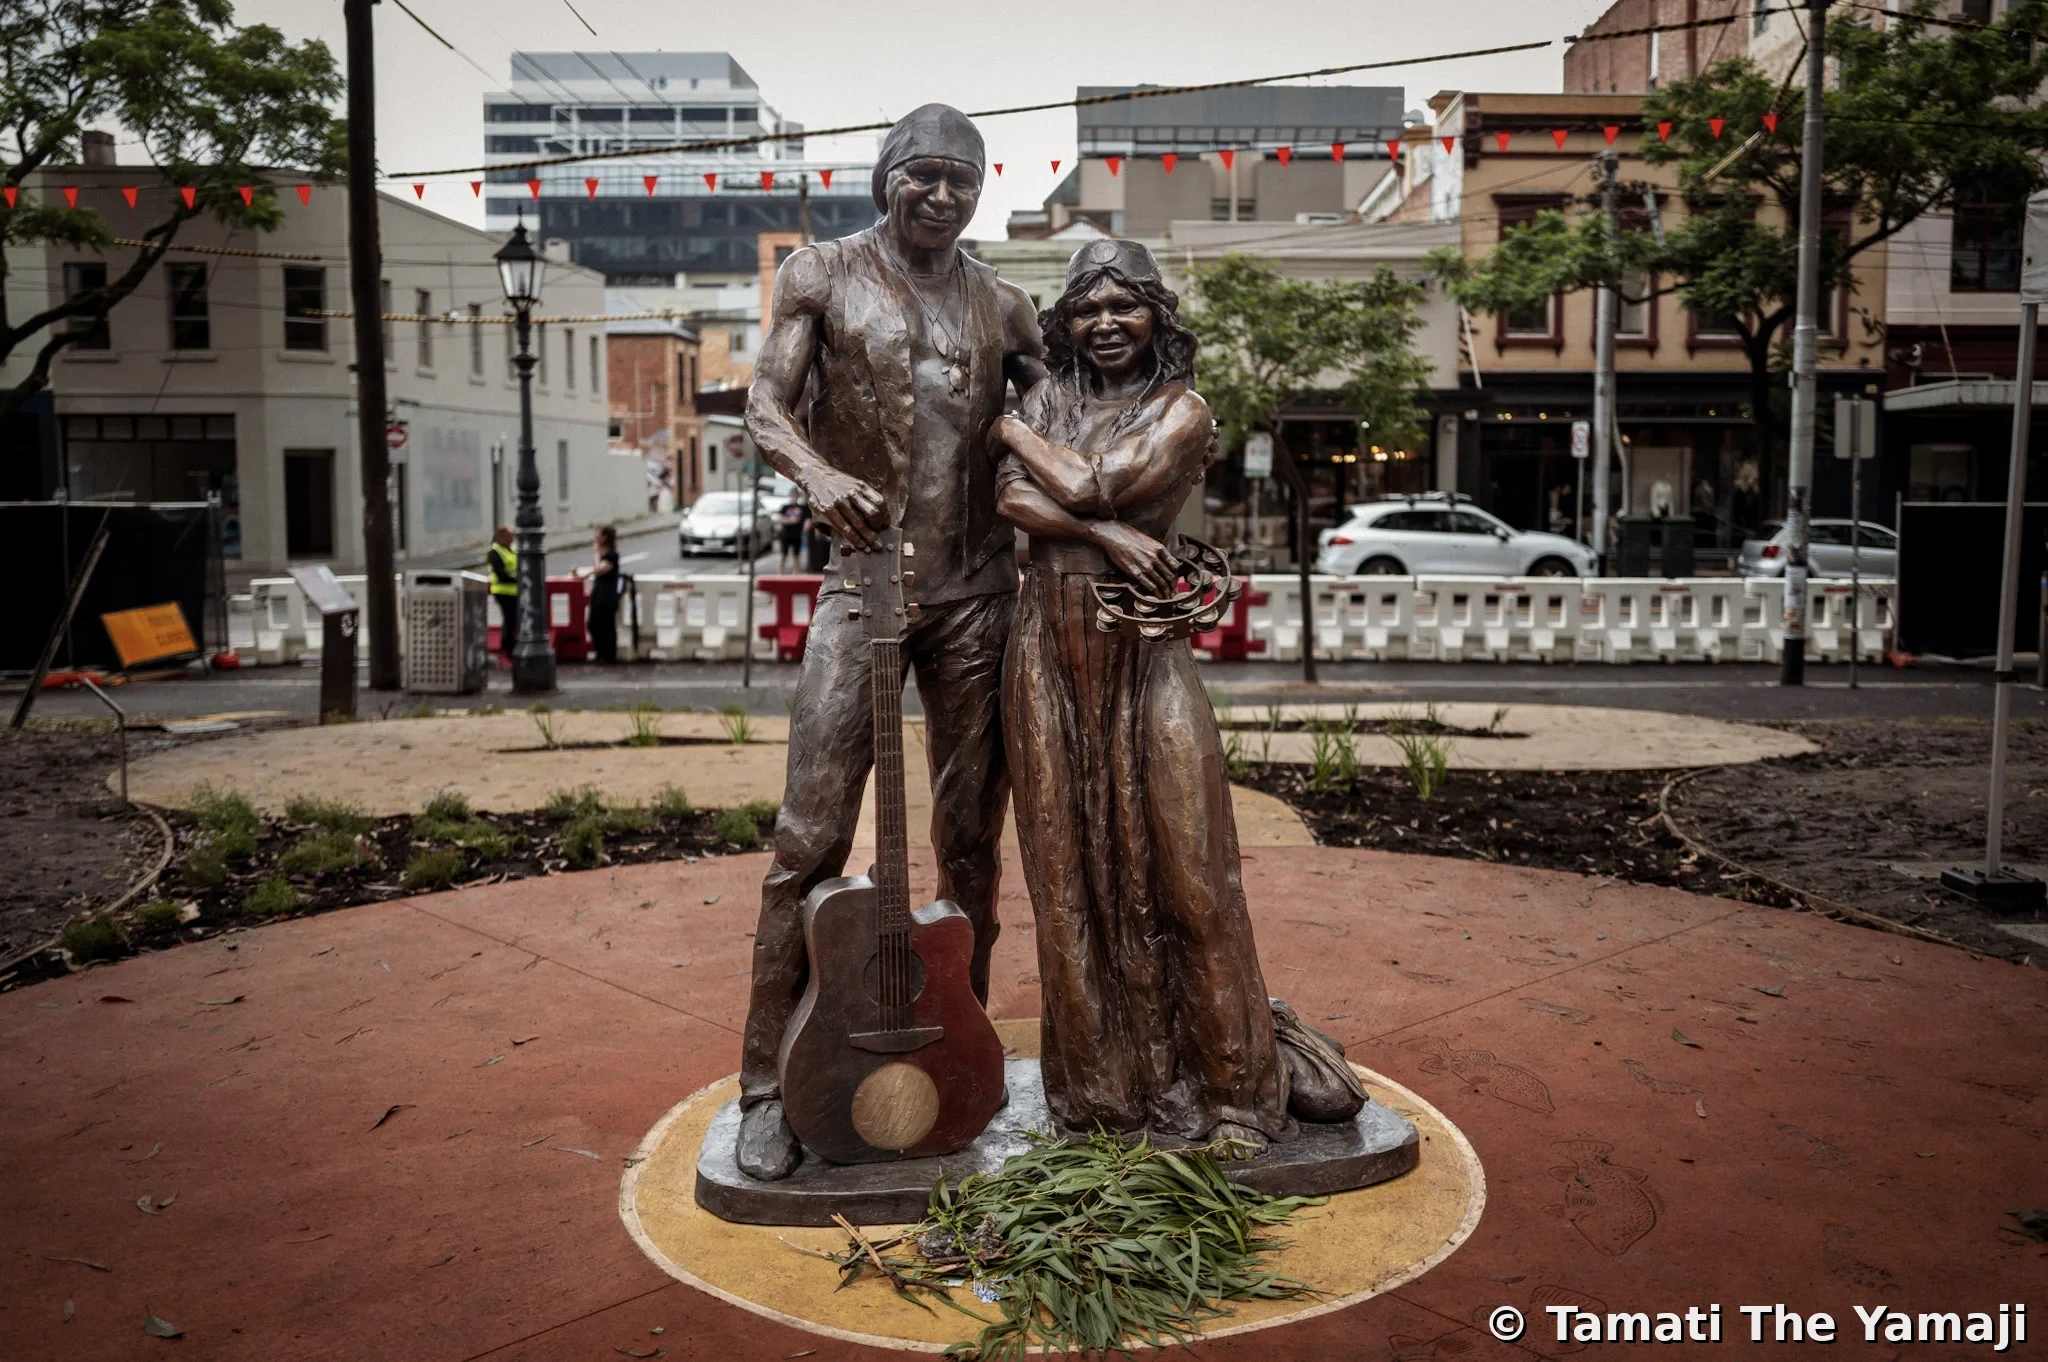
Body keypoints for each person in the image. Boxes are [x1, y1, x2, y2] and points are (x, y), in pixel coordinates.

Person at [992, 239, 1362, 1153]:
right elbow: (1010, 505)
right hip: (1045, 639)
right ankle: (1100, 1098)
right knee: (1065, 871)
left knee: (1190, 872)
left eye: (1125, 306)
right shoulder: (1052, 399)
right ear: (1066, 324)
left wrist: (1006, 430)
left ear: (1157, 314)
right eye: (1087, 310)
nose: (1106, 324)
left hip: (1143, 646)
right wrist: (1110, 537)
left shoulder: (1180, 410)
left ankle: (1237, 1090)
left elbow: (1084, 481)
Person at [735, 103, 1046, 1180]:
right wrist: (817, 474)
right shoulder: (819, 275)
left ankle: (961, 1061)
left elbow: (1058, 426)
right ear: (886, 178)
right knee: (808, 833)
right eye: (922, 174)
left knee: (969, 848)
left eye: (961, 178)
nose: (943, 194)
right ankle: (766, 1085)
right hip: (863, 583)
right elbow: (762, 406)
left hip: (975, 596)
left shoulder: (1004, 304)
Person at [583, 524, 622, 664]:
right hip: (598, 592)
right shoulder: (605, 554)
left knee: (606, 625)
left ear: (605, 538)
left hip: (607, 594)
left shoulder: (612, 555)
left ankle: (609, 655)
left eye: (598, 535)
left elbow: (600, 569)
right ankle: (600, 652)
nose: (595, 537)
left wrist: (596, 553)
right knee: (593, 623)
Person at [486, 525, 517, 662]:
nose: (513, 539)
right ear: (501, 537)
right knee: (509, 621)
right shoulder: (495, 552)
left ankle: (511, 648)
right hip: (503, 591)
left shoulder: (512, 549)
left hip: (514, 591)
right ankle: (507, 649)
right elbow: (500, 573)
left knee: (513, 621)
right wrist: (517, 580)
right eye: (510, 536)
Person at [775, 498, 807, 572]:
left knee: (796, 555)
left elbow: (807, 520)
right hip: (786, 534)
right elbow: (779, 517)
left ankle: (795, 573)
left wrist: (803, 531)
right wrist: (789, 521)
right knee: (783, 554)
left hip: (797, 534)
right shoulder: (785, 507)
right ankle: (780, 573)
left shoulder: (802, 508)